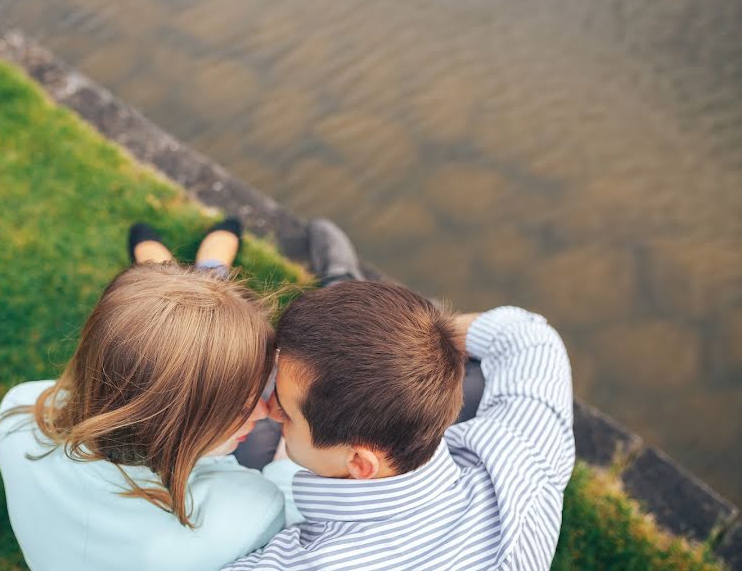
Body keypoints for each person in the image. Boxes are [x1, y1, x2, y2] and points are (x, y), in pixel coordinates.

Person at [225, 219, 575, 570]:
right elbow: (526, 337)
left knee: (248, 433)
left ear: (360, 463)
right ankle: (344, 287)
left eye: (284, 410)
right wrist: (419, 344)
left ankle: (340, 282)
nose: (269, 408)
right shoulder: (524, 461)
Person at [0, 219, 287, 571]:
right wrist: (292, 449)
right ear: (175, 420)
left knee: (175, 332)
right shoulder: (252, 512)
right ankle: (198, 267)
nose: (267, 409)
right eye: (241, 405)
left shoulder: (21, 410)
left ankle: (175, 270)